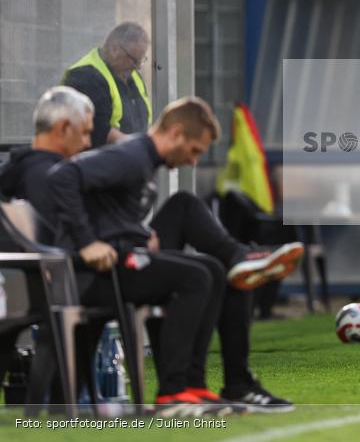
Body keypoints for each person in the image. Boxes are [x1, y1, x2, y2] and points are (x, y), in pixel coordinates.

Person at [47, 96, 303, 409]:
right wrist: (87, 243)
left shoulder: (143, 160)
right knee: (196, 276)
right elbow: (62, 177)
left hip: (123, 256)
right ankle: (173, 390)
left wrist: (138, 234)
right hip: (97, 272)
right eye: (195, 150)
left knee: (213, 268)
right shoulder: (132, 156)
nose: (194, 161)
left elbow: (108, 212)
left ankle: (193, 386)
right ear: (176, 133)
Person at [0, 87, 221, 413]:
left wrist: (134, 236)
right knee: (191, 272)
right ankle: (175, 387)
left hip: (65, 277)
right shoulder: (49, 177)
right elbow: (73, 238)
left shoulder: (33, 171)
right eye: (86, 132)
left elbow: (93, 226)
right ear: (63, 129)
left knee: (190, 257)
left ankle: (178, 386)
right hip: (74, 278)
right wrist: (97, 243)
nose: (90, 143)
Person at [62, 22, 152, 148]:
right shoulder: (85, 76)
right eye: (133, 60)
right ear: (114, 49)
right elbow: (97, 129)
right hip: (99, 161)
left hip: (128, 159)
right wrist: (137, 147)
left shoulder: (131, 75)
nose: (136, 67)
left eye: (140, 61)